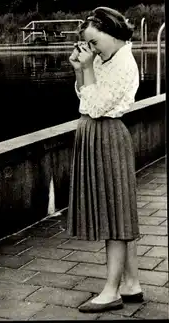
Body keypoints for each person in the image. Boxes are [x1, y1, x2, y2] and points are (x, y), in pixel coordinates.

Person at [67, 7, 142, 313]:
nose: (92, 50)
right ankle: (131, 283)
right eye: (89, 44)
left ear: (112, 33)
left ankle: (111, 293)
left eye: (95, 42)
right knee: (118, 212)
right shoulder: (106, 57)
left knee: (115, 218)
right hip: (99, 137)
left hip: (108, 136)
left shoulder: (124, 63)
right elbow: (85, 95)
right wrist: (79, 69)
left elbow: (95, 106)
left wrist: (86, 70)